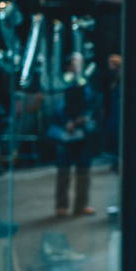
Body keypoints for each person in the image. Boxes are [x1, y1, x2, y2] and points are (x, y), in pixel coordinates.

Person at [50, 52, 98, 217]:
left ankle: (81, 205)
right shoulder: (62, 82)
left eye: (79, 63)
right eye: (74, 63)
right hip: (65, 132)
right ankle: (61, 205)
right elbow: (57, 105)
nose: (77, 66)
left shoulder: (85, 83)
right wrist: (66, 123)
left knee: (83, 169)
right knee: (63, 170)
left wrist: (82, 120)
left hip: (82, 131)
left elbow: (91, 103)